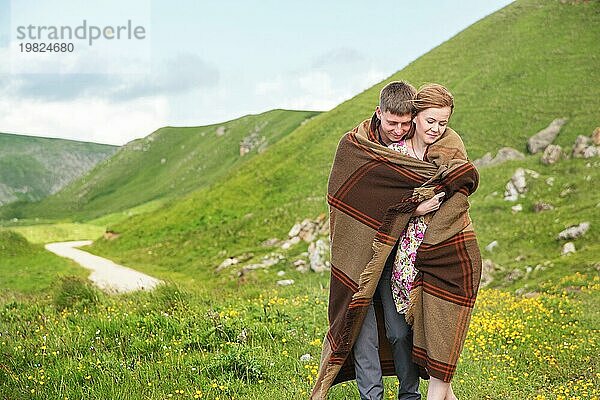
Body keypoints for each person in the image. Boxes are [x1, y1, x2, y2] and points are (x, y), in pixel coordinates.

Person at [312, 82, 480, 400]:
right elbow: (344, 197)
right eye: (393, 123)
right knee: (361, 331)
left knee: (400, 331)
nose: (399, 130)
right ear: (379, 114)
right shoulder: (357, 146)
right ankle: (372, 397)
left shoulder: (430, 145)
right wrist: (414, 207)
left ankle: (409, 395)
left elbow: (445, 179)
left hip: (399, 258)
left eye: (405, 123)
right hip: (364, 253)